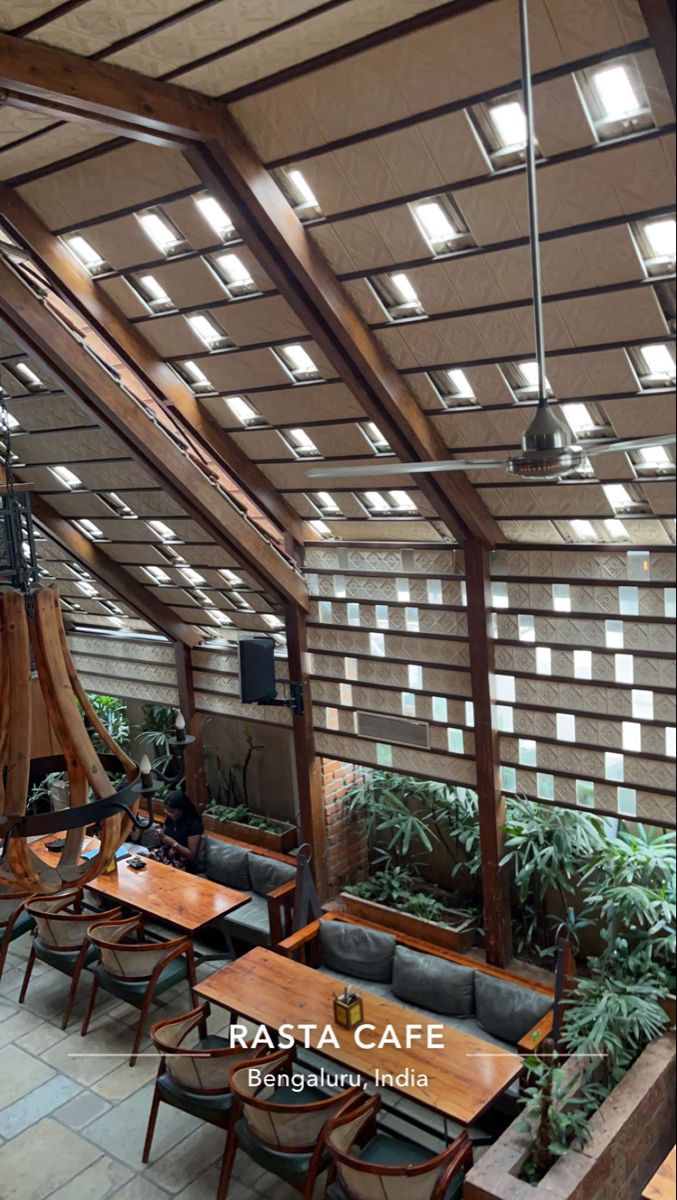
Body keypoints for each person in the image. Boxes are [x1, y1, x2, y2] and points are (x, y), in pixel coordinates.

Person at [147, 790, 203, 873]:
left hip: (182, 860)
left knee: (165, 870)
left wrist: (174, 843)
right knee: (146, 860)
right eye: (166, 811)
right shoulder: (170, 819)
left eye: (171, 812)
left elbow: (191, 855)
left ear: (182, 810)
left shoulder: (194, 825)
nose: (168, 814)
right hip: (166, 852)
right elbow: (164, 838)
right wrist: (161, 836)